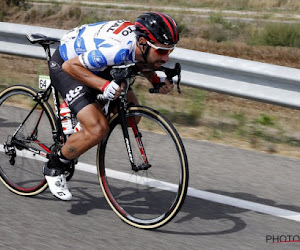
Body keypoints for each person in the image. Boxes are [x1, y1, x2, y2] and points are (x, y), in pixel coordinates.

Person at [44, 12, 180, 200]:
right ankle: (55, 165)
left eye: (170, 51)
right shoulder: (118, 50)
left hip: (100, 64)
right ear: (142, 42)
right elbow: (70, 67)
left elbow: (142, 63)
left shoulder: (141, 47)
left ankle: (84, 116)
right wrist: (104, 86)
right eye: (162, 51)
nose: (166, 58)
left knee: (133, 116)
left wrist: (156, 79)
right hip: (68, 64)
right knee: (98, 129)